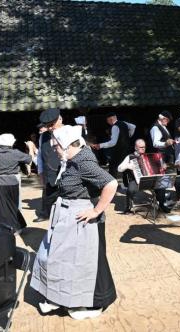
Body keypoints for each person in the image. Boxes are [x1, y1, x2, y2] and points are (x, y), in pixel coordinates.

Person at [30, 125, 118, 320]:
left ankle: (88, 304)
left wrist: (96, 211)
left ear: (68, 145)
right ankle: (58, 297)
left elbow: (111, 184)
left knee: (81, 263)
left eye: (56, 146)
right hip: (67, 214)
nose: (54, 149)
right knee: (57, 257)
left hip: (80, 216)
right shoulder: (72, 158)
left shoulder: (83, 161)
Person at [117, 139, 172, 213]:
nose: (143, 149)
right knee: (130, 189)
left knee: (161, 186)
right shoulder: (130, 157)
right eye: (141, 147)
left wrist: (163, 166)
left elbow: (159, 166)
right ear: (136, 147)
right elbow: (119, 169)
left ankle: (161, 205)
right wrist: (128, 166)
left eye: (144, 147)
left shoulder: (150, 156)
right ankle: (128, 207)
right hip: (136, 181)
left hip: (150, 180)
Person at [36, 108, 63, 222]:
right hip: (49, 172)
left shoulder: (71, 132)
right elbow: (40, 156)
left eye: (52, 124)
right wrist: (41, 173)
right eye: (48, 125)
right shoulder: (43, 136)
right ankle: (45, 214)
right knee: (49, 195)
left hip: (66, 172)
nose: (50, 127)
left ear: (60, 119)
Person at [92, 113, 136, 178]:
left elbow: (113, 143)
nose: (107, 123)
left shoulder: (115, 127)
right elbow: (133, 126)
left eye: (107, 121)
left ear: (111, 119)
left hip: (118, 151)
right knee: (126, 168)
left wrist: (100, 145)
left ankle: (114, 184)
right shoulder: (123, 123)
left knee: (113, 169)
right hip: (127, 149)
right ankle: (126, 184)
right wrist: (129, 135)